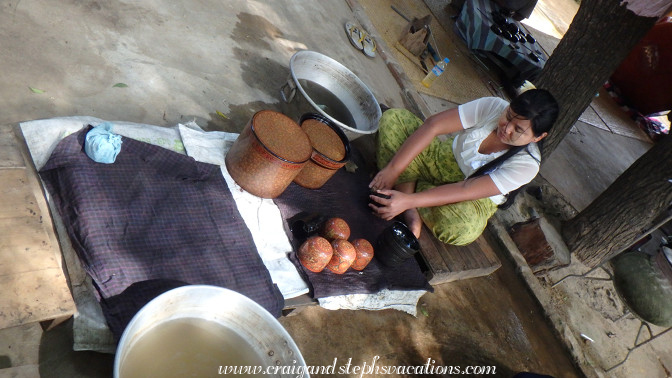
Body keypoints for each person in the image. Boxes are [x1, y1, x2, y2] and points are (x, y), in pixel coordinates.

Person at [368, 89, 558, 246]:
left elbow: (466, 189)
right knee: (394, 120)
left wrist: (410, 200)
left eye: (518, 130)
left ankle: (409, 197)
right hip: (439, 160)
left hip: (468, 198)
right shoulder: (493, 105)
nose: (506, 128)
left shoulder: (528, 165)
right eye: (508, 116)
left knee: (461, 227)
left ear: (538, 137)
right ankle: (409, 203)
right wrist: (394, 168)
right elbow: (433, 125)